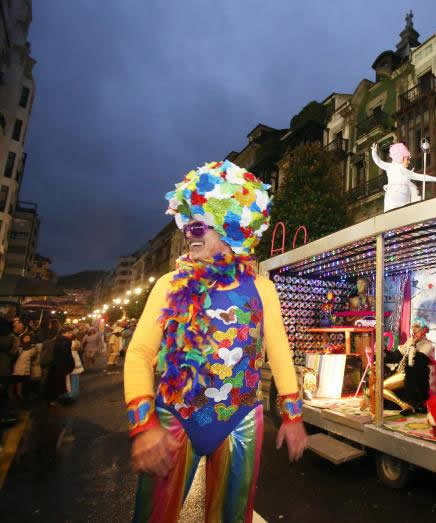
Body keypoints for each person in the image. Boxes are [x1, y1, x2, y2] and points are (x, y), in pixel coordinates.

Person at [124, 160, 306, 522]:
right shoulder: (169, 285)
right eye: (189, 221)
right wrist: (143, 427)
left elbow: (279, 350)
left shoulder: (262, 288)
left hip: (240, 420)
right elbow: (141, 354)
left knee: (232, 519)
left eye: (200, 223)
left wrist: (292, 416)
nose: (190, 230)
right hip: (175, 416)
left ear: (231, 228)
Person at [371, 142, 436, 212]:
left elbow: (421, 177)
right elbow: (379, 162)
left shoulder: (406, 171)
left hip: (405, 200)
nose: (409, 161)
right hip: (393, 199)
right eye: (407, 159)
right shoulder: (390, 167)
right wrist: (374, 152)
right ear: (401, 158)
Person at [383, 318, 435, 414]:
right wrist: (384, 353)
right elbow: (397, 354)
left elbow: (416, 361)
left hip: (412, 376)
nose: (413, 330)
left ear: (424, 330)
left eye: (417, 327)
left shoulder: (428, 345)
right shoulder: (409, 340)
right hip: (401, 371)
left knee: (382, 387)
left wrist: (413, 345)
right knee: (378, 387)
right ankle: (403, 405)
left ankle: (407, 405)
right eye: (412, 327)